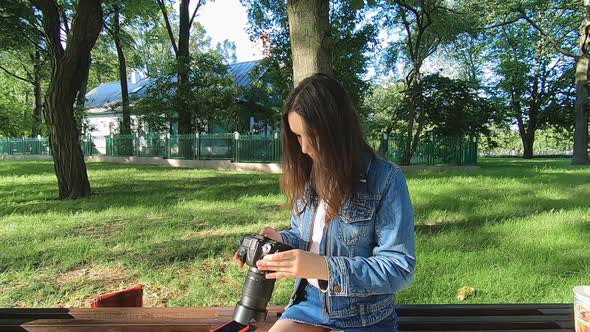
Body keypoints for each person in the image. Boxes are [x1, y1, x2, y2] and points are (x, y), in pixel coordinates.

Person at [234, 73, 416, 332]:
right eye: (297, 136)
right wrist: (282, 241)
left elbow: (399, 267)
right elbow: (307, 237)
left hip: (365, 318)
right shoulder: (308, 175)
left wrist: (324, 268)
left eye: (313, 135)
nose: (305, 148)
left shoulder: (385, 179)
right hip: (310, 305)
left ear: (339, 131)